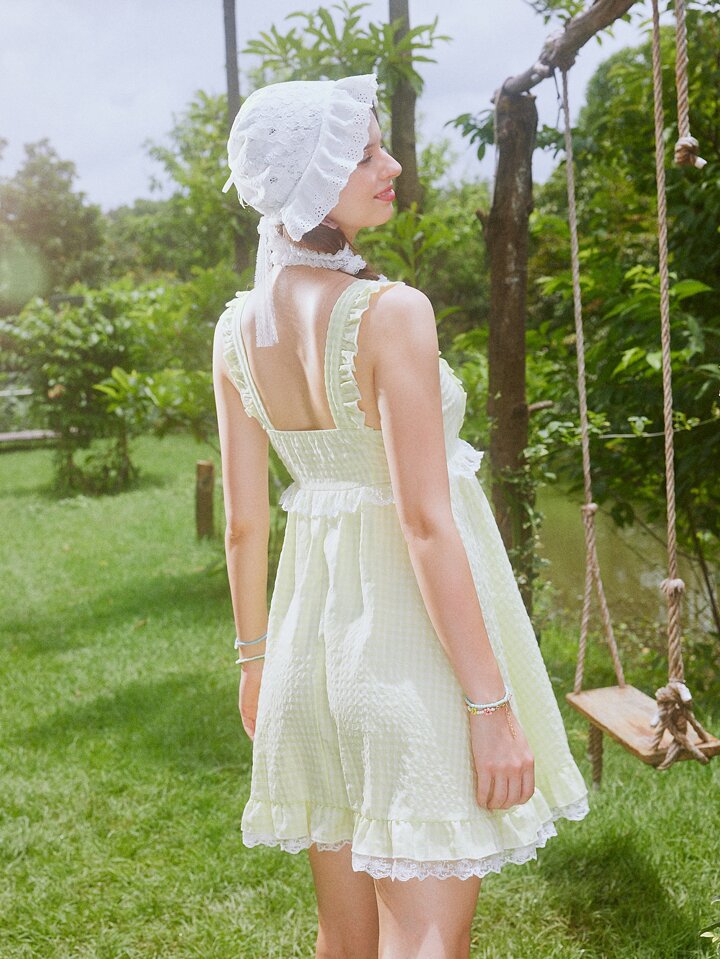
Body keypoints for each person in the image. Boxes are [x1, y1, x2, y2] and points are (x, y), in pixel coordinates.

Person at [212, 73, 590, 959]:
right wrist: (490, 705)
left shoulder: (235, 331)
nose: (392, 166)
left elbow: (244, 525)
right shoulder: (392, 314)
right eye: (365, 153)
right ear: (313, 178)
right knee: (425, 939)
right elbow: (424, 523)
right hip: (407, 665)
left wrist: (254, 665)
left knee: (344, 940)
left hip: (307, 663)